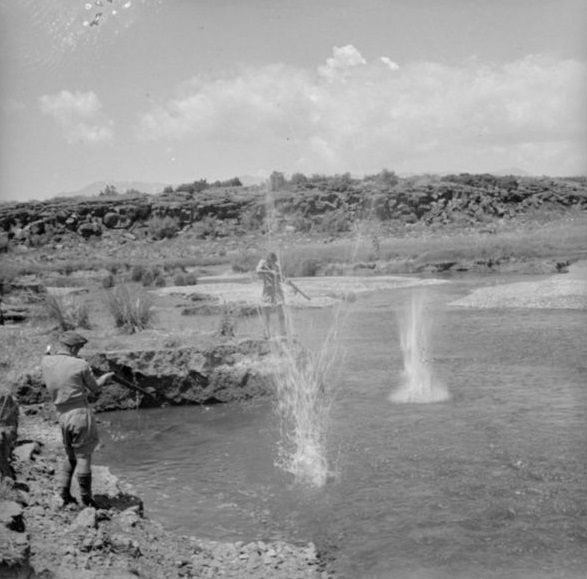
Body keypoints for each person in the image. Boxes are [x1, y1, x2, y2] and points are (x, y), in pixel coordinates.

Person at [41, 331, 113, 508]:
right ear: (73, 347)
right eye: (79, 347)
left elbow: (47, 353)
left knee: (70, 454)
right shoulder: (80, 364)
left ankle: (63, 492)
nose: (80, 351)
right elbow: (95, 388)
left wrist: (48, 351)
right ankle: (87, 500)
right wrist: (105, 378)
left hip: (62, 415)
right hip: (80, 414)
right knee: (84, 456)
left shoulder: (46, 361)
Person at [256, 252, 287, 338]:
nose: (272, 263)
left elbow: (281, 278)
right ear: (268, 260)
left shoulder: (276, 266)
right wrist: (269, 271)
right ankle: (266, 333)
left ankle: (283, 332)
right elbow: (258, 271)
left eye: (273, 261)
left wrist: (283, 279)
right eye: (271, 261)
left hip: (277, 291)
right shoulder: (262, 263)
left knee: (281, 313)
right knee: (266, 313)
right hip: (267, 291)